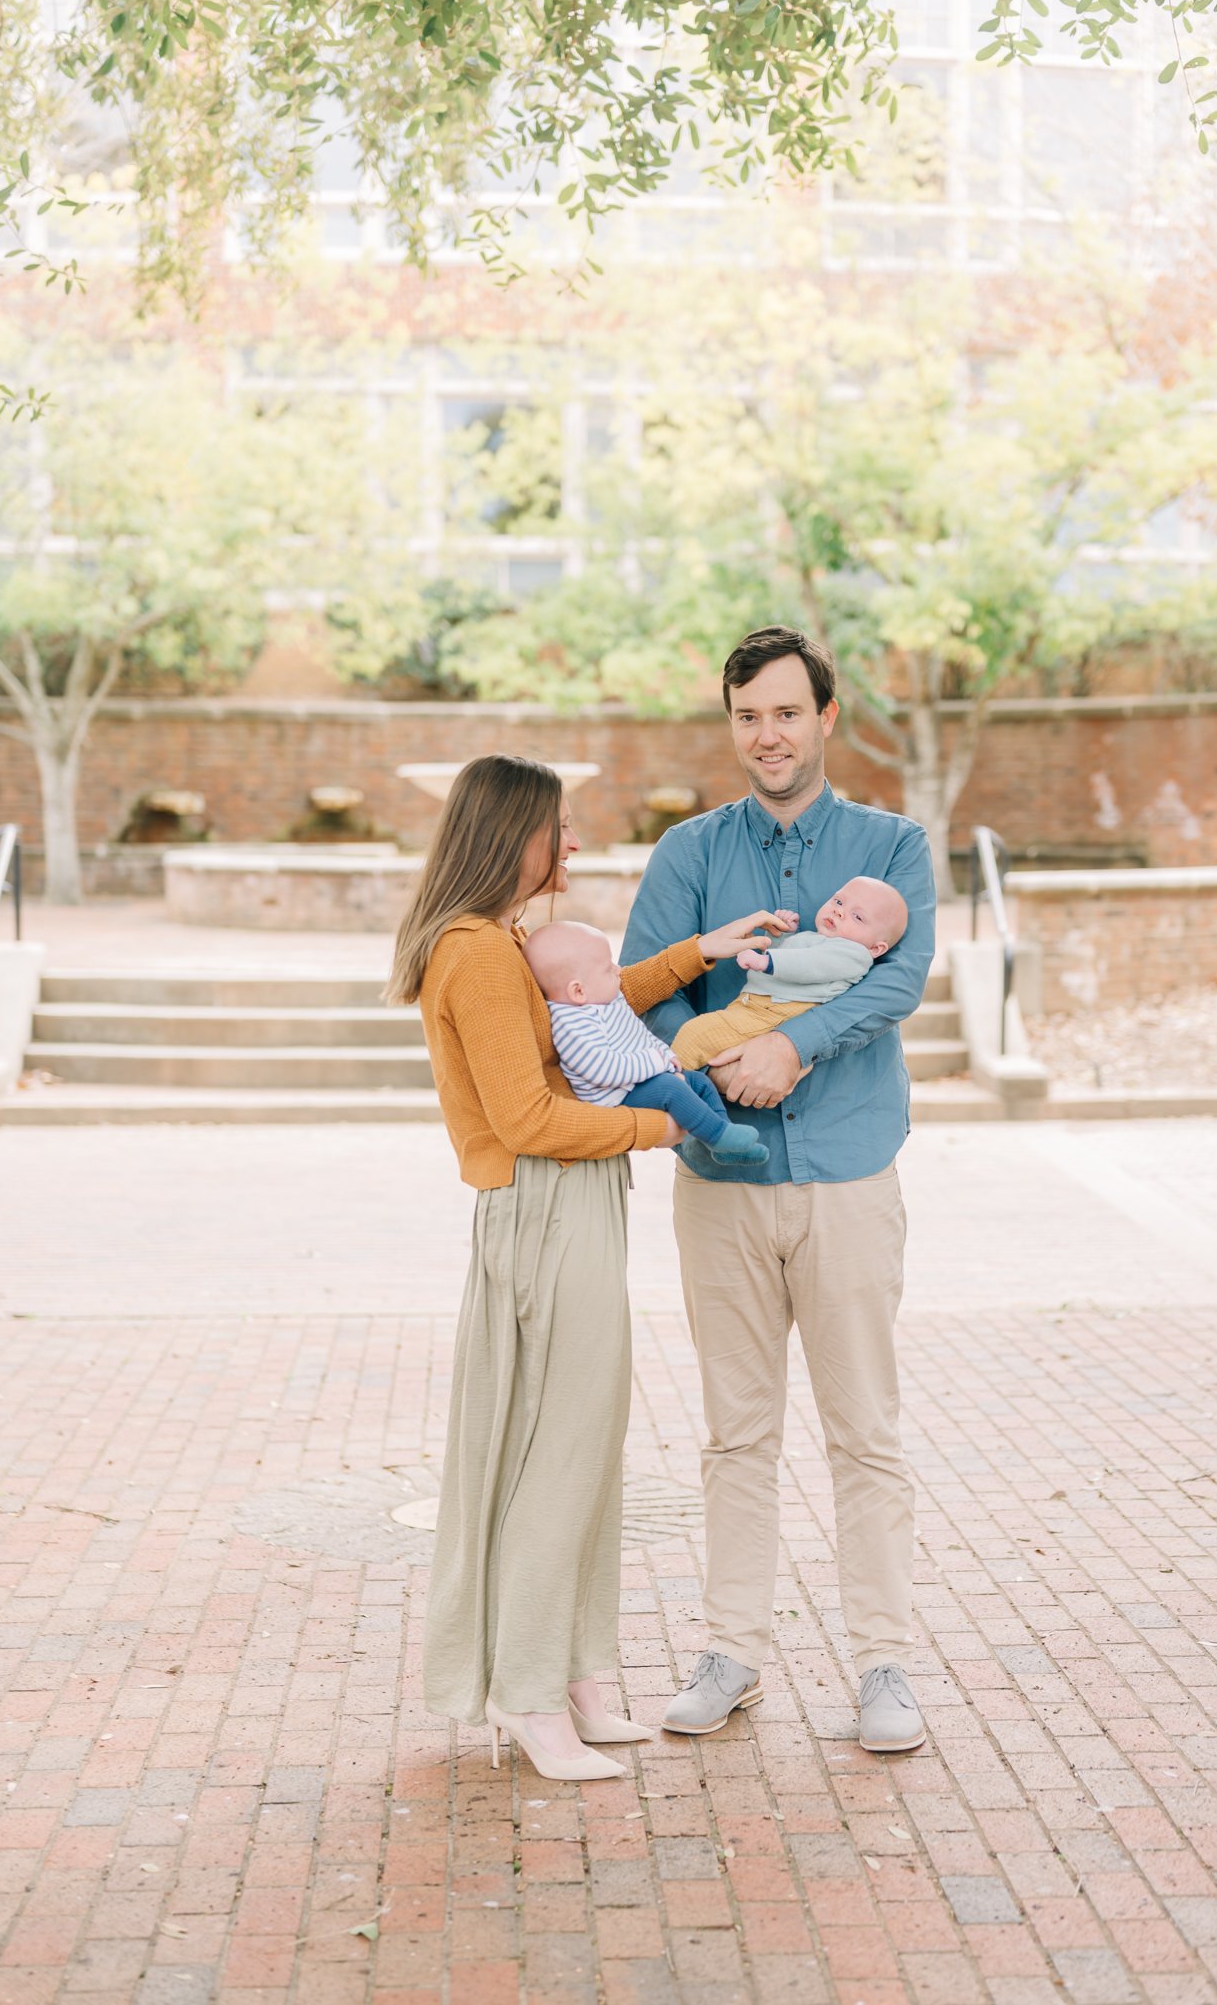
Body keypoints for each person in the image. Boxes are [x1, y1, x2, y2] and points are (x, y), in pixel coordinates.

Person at [387, 752, 788, 1783]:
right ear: (509, 833)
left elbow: (594, 1006)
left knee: (586, 1441)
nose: (571, 844)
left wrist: (701, 948)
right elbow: (524, 1118)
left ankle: (571, 1671)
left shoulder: (508, 938)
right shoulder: (474, 952)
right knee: (557, 1452)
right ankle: (526, 1692)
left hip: (572, 1199)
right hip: (543, 1205)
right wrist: (663, 1128)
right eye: (556, 828)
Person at [620, 627, 936, 1753]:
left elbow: (896, 981)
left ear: (825, 718)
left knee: (864, 1429)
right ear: (732, 723)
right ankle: (732, 1651)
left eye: (787, 712)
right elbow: (647, 993)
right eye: (749, 714)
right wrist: (709, 1067)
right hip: (721, 1179)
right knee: (735, 1431)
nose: (768, 734)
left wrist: (792, 1053)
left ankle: (884, 1663)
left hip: (848, 1171)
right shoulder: (688, 852)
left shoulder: (893, 846)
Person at [525, 919, 769, 1165]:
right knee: (670, 1089)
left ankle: (723, 1137)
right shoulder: (571, 1025)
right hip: (613, 1095)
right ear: (578, 991)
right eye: (607, 969)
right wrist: (657, 1062)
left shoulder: (603, 1000)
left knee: (699, 1081)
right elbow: (603, 1071)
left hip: (635, 1079)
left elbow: (638, 1036)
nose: (618, 970)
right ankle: (718, 1136)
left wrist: (664, 1055)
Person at [671, 876, 908, 1071]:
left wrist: (765, 961)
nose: (839, 912)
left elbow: (810, 965)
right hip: (758, 1008)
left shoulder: (854, 954)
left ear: (876, 948)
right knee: (708, 1043)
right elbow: (795, 957)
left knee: (695, 1036)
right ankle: (684, 1094)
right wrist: (781, 935)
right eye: (838, 902)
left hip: (775, 1013)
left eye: (857, 917)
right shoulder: (817, 939)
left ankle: (669, 1091)